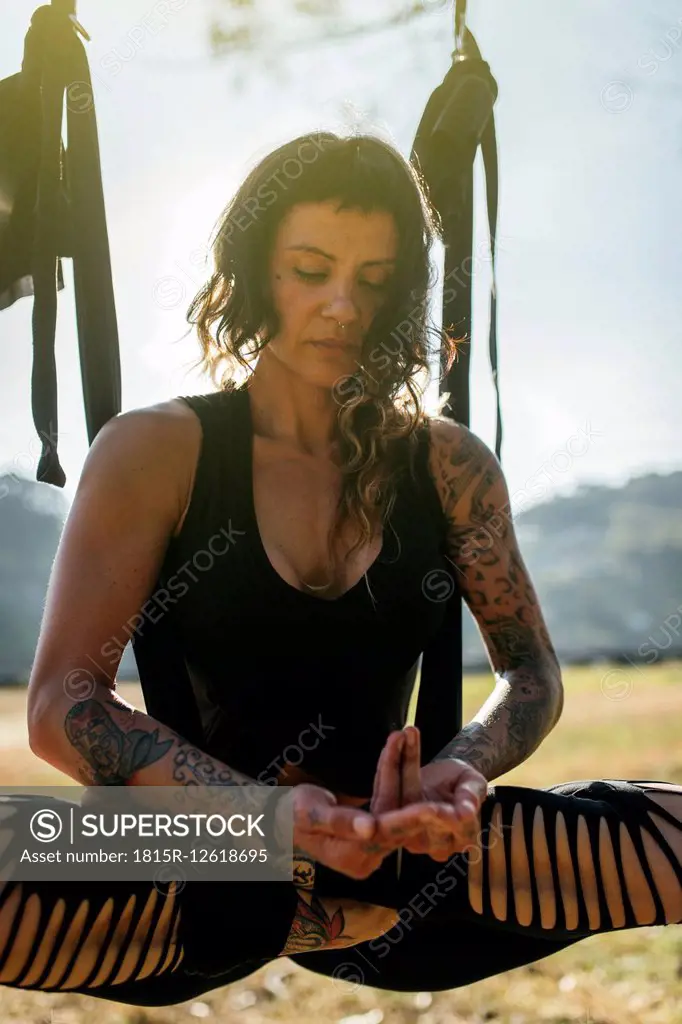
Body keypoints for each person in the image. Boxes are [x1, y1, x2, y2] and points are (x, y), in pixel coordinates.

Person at [8, 131, 679, 1007]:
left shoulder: (449, 466)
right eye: (311, 268)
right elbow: (66, 705)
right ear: (254, 271)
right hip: (197, 865)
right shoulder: (157, 448)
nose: (341, 306)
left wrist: (463, 768)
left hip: (417, 865)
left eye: (373, 280)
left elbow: (530, 672)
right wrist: (278, 824)